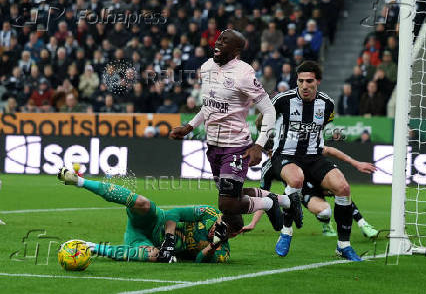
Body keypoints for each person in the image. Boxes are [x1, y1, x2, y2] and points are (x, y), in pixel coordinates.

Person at [170, 29, 288, 236]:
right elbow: (208, 107)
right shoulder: (206, 67)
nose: (218, 43)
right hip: (213, 146)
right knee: (232, 203)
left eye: (225, 42)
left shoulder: (244, 74)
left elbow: (269, 110)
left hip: (236, 145)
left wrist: (259, 144)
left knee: (226, 203)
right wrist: (189, 127)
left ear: (236, 51)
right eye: (218, 39)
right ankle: (286, 200)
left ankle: (269, 204)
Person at [260, 60, 362, 261]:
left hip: (314, 157)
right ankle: (286, 232)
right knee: (296, 180)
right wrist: (265, 143)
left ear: (318, 81)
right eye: (300, 81)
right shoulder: (283, 99)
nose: (304, 86)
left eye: (309, 81)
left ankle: (343, 245)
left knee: (343, 187)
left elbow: (322, 127)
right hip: (286, 155)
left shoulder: (327, 104)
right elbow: (263, 118)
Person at [57, 167, 230, 263]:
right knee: (143, 203)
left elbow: (200, 261)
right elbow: (174, 213)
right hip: (153, 221)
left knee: (154, 256)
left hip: (144, 242)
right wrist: (169, 240)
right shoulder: (210, 213)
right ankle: (79, 181)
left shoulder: (223, 252)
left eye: (216, 231)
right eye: (214, 225)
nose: (212, 230)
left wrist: (213, 245)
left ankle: (91, 246)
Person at [254, 146, 378, 248]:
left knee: (341, 189)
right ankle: (326, 223)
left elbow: (329, 150)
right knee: (325, 212)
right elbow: (264, 195)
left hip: (319, 181)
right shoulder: (269, 167)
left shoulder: (300, 148)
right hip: (305, 192)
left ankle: (363, 224)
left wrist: (355, 163)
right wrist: (253, 223)